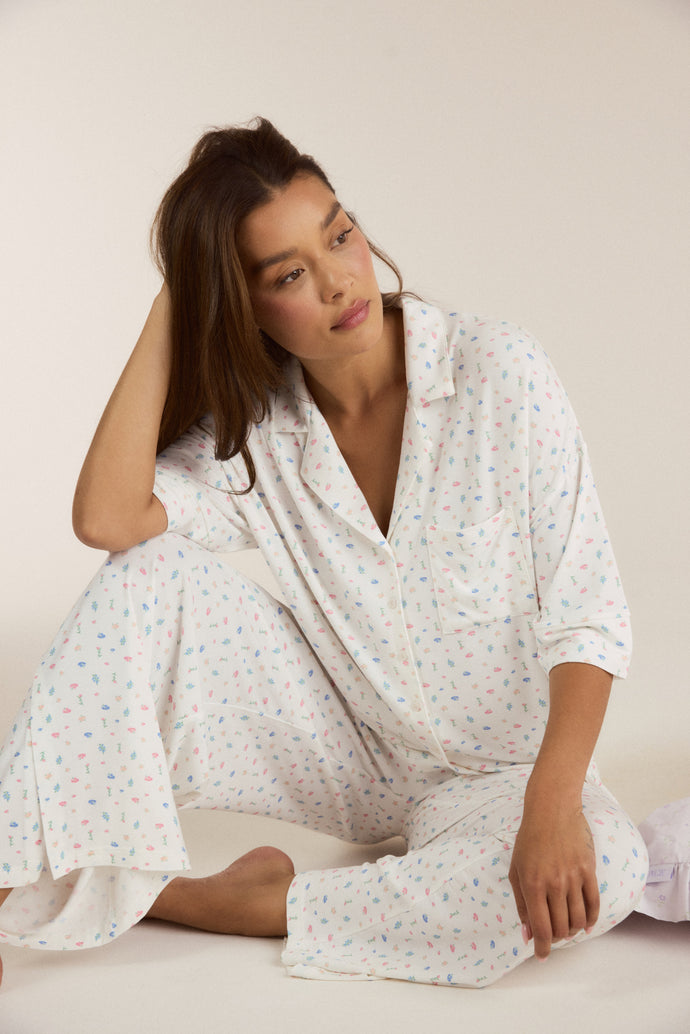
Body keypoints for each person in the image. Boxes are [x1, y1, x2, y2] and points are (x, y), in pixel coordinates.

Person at [0, 118, 647, 988]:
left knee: (610, 868)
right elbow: (109, 518)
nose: (341, 279)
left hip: (510, 773)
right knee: (144, 574)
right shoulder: (259, 434)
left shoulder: (499, 373)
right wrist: (176, 302)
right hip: (349, 752)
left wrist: (553, 805)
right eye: (290, 274)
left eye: (339, 235)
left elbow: (588, 614)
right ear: (244, 305)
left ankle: (221, 903)